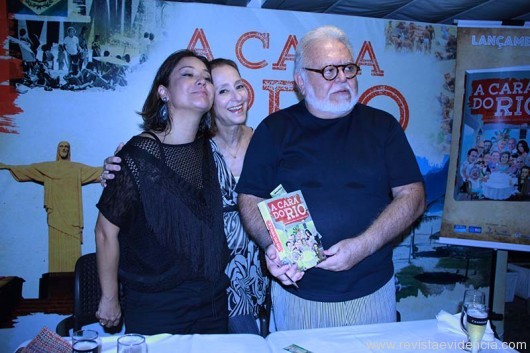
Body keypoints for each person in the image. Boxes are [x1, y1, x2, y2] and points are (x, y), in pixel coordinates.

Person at [235, 25, 425, 331]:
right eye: (329, 71)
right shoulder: (274, 130)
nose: (342, 79)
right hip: (299, 296)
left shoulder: (383, 126)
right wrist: (273, 246)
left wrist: (363, 245)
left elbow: (412, 197)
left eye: (348, 68)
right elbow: (250, 197)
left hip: (372, 291)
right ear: (300, 80)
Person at [100, 58, 269, 334]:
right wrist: (117, 168)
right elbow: (106, 231)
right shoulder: (150, 152)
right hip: (162, 303)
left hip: (232, 289)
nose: (201, 81)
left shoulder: (257, 143)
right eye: (189, 75)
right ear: (163, 91)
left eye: (238, 86)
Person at [0, 141, 102, 272]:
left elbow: (95, 171)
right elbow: (29, 169)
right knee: (56, 248)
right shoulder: (48, 168)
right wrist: (8, 167)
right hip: (56, 215)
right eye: (61, 146)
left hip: (72, 215)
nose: (64, 149)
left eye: (66, 147)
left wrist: (116, 165)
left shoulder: (77, 168)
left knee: (72, 249)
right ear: (57, 150)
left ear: (69, 150)